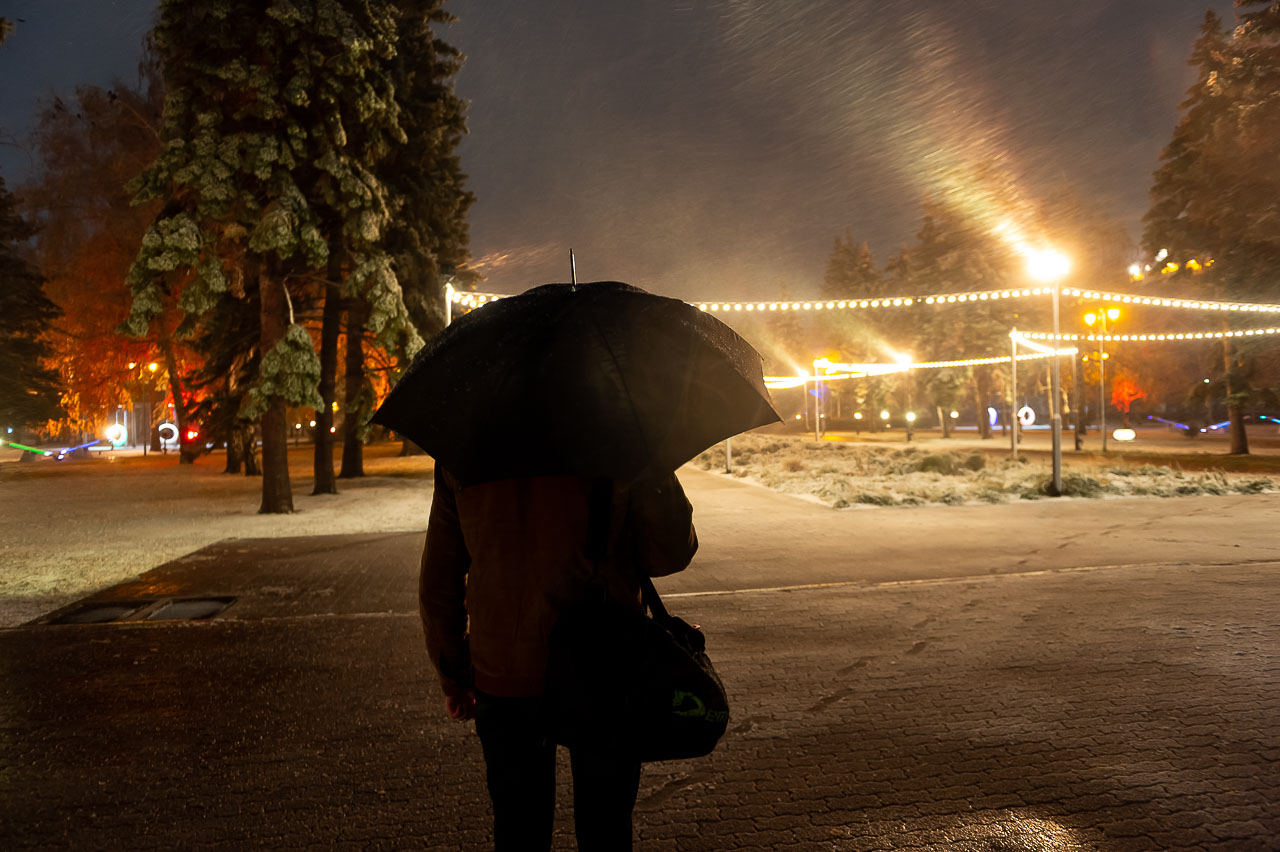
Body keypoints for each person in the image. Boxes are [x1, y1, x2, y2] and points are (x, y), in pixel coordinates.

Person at [419, 466, 698, 851]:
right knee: (607, 829)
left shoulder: (468, 447)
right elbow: (669, 555)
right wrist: (655, 467)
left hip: (504, 671)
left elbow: (440, 578)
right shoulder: (618, 437)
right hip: (606, 667)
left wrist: (454, 673)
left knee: (518, 830)